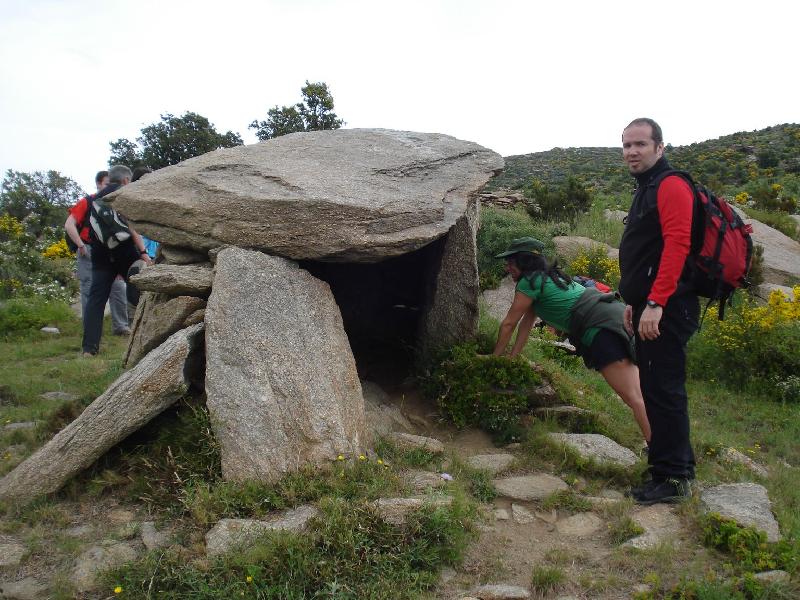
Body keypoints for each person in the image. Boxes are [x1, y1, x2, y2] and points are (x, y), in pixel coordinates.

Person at [493, 237, 651, 445]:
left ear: (523, 262)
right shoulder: (546, 278)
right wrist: (512, 358)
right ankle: (667, 446)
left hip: (601, 329)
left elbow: (508, 324)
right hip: (616, 317)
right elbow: (525, 324)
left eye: (510, 262)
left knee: (633, 396)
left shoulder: (528, 282)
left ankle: (659, 452)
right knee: (641, 394)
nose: (507, 267)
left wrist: (493, 360)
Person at [618, 118, 699, 505]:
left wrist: (656, 303)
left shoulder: (670, 185)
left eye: (640, 144)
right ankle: (672, 468)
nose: (632, 151)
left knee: (664, 391)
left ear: (660, 148)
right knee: (655, 388)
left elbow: (677, 245)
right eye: (626, 145)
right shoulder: (646, 189)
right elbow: (646, 254)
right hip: (649, 308)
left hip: (667, 309)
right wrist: (634, 304)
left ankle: (673, 479)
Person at [65, 165, 153, 356]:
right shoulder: (123, 195)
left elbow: (70, 224)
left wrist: (81, 244)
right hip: (125, 251)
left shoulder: (92, 199)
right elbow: (132, 227)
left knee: (96, 300)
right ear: (126, 180)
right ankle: (148, 337)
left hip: (100, 254)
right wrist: (144, 252)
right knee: (142, 290)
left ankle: (89, 348)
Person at [69, 170, 130, 335]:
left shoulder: (115, 203)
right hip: (88, 249)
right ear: (98, 184)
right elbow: (69, 224)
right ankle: (91, 329)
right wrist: (80, 245)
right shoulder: (87, 202)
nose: (108, 188)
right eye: (105, 184)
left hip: (111, 250)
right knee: (90, 290)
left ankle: (121, 327)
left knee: (118, 288)